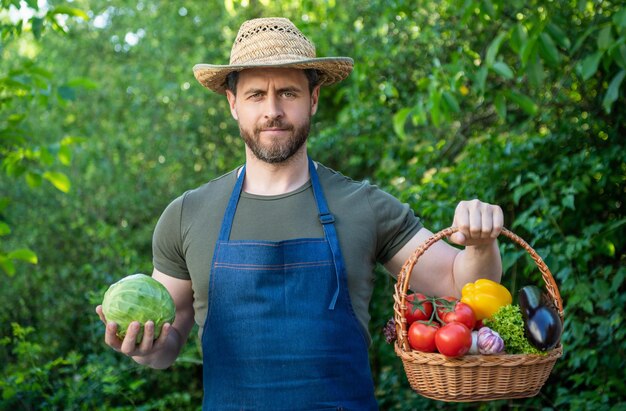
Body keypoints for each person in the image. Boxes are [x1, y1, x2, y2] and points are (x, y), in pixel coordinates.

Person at [96, 17, 503, 410]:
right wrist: (143, 349)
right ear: (233, 103)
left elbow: (461, 286)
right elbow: (168, 342)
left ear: (313, 99)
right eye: (256, 94)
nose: (272, 110)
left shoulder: (364, 205)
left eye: (288, 93)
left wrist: (481, 244)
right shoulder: (187, 215)